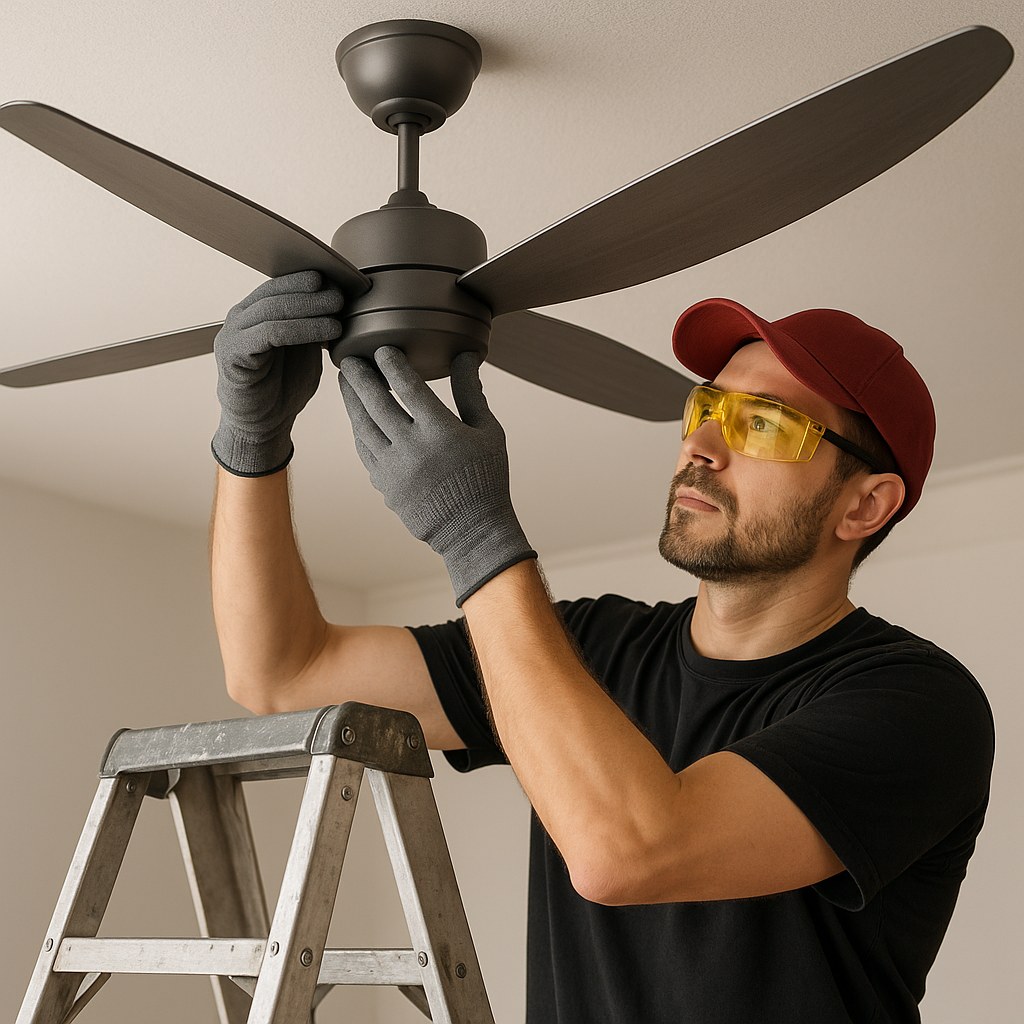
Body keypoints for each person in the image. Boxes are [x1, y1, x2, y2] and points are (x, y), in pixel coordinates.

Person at [209, 270, 994, 1024]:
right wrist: (252, 445)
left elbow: (630, 853)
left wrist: (476, 536)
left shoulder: (919, 705)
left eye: (763, 425)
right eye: (705, 408)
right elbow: (282, 673)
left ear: (864, 505)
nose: (704, 445)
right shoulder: (580, 648)